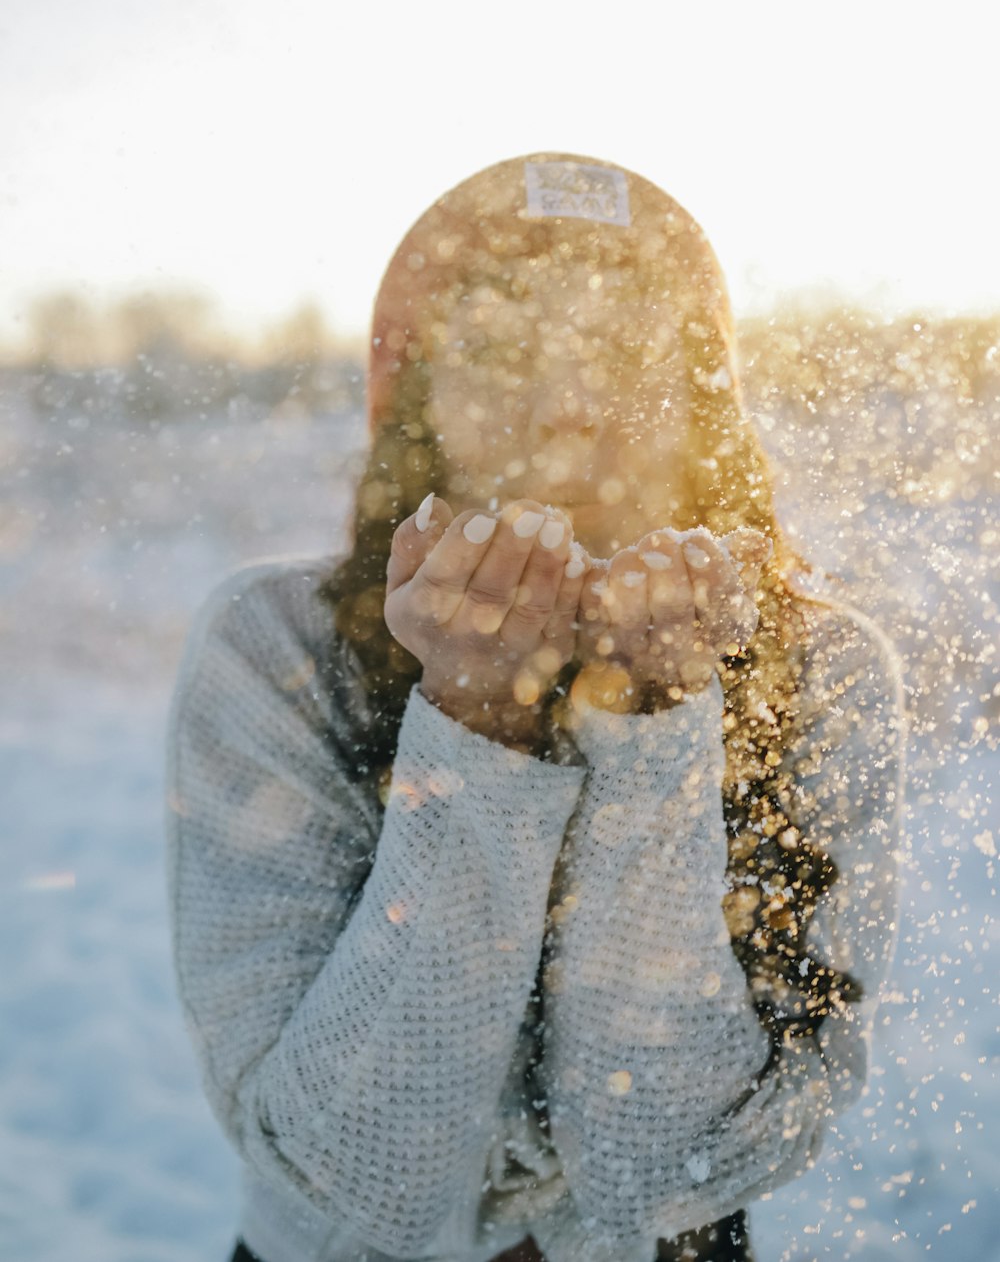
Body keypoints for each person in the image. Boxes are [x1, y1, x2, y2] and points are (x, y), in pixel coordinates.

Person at [166, 153, 906, 1262]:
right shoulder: (278, 645)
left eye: (622, 352)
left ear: (700, 400)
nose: (566, 409)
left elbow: (672, 1170)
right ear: (418, 404)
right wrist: (471, 722)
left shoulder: (824, 667)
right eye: (504, 351)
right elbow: (348, 1175)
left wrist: (661, 718)